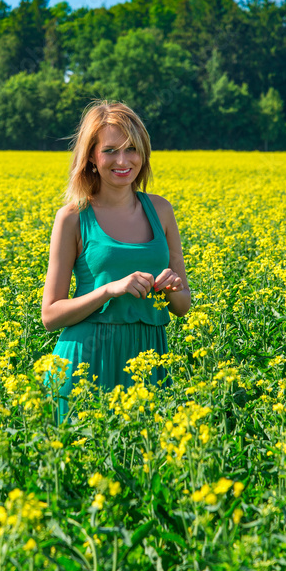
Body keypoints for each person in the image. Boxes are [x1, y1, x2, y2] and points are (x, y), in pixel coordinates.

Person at [41, 100, 191, 422]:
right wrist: (109, 290)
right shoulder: (72, 218)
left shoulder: (161, 211)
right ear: (92, 157)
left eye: (131, 149)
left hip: (148, 357)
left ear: (144, 154)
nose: (122, 161)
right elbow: (50, 315)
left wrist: (172, 287)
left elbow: (182, 306)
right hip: (85, 360)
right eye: (110, 150)